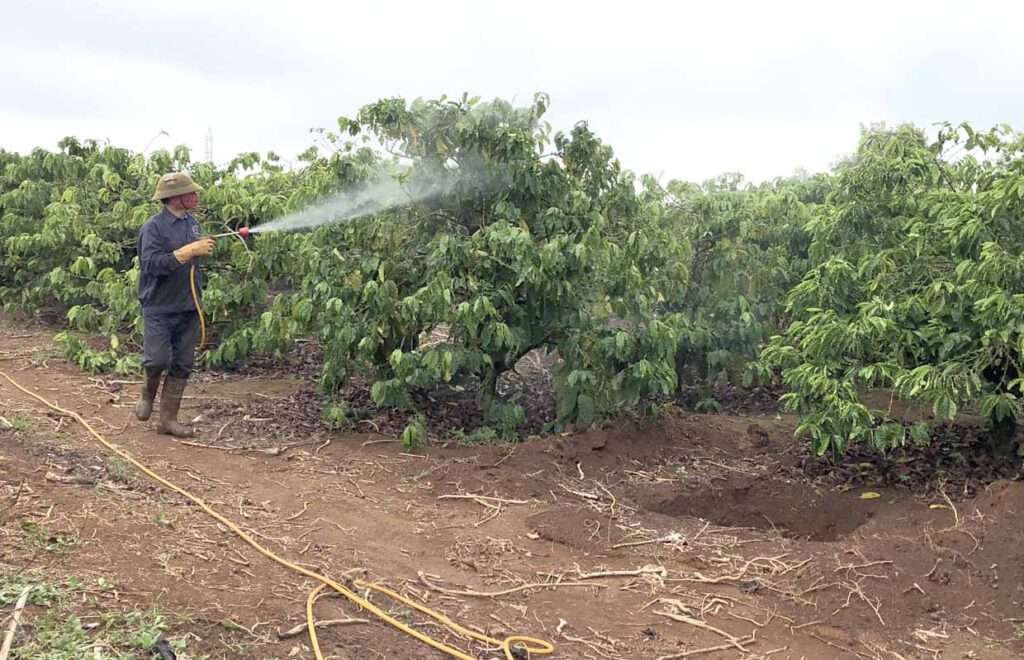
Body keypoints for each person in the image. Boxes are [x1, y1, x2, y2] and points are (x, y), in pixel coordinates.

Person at [134, 172, 215, 437]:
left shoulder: (192, 224)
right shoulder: (153, 228)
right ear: (175, 198)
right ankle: (147, 393)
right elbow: (152, 265)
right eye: (191, 193)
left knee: (183, 363)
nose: (196, 197)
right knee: (156, 360)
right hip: (159, 305)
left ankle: (167, 420)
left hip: (188, 305)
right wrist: (188, 252)